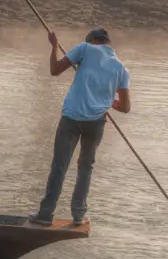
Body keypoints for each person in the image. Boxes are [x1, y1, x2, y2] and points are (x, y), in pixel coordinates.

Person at [29, 28, 131, 227]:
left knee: (59, 165)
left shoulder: (85, 48)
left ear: (92, 40)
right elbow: (125, 107)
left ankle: (45, 214)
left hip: (72, 118)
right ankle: (78, 215)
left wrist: (54, 47)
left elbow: (55, 70)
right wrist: (106, 101)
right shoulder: (121, 69)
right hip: (96, 122)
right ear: (108, 43)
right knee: (86, 167)